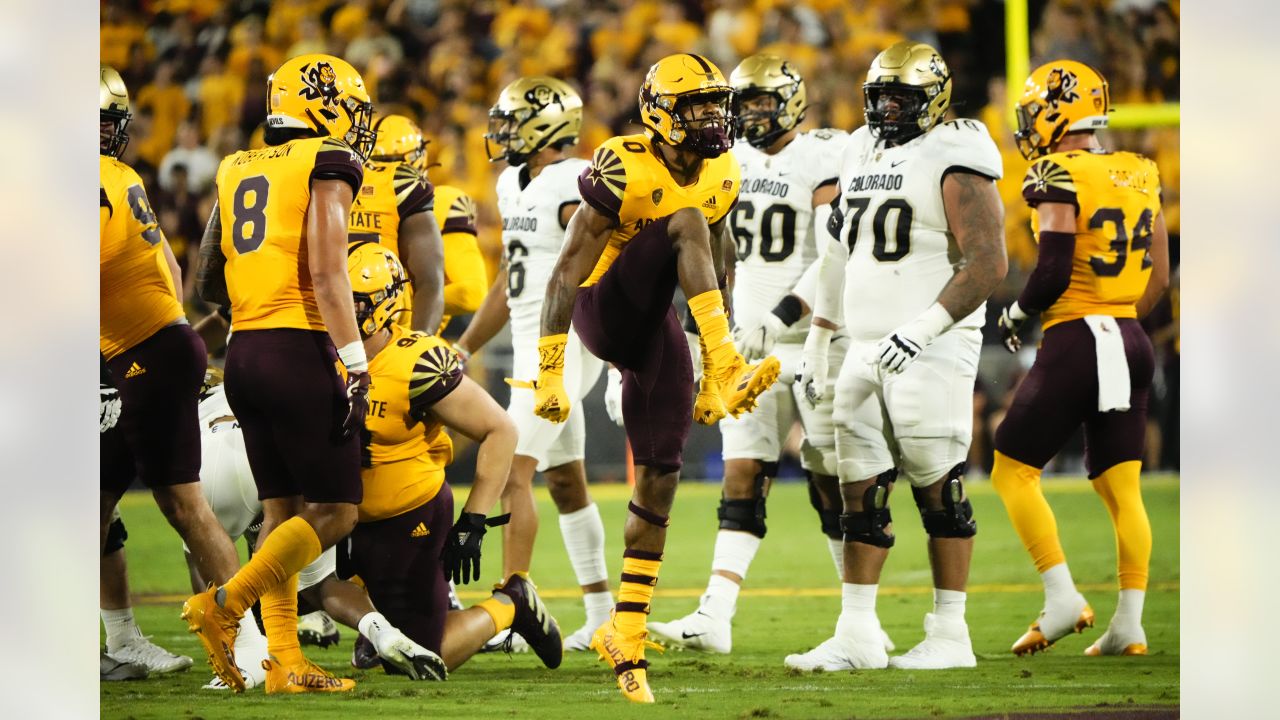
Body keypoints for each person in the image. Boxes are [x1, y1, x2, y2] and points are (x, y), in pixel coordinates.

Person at [533, 53, 781, 703]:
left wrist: (702, 358)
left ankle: (628, 630)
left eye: (716, 103)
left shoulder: (724, 169)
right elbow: (564, 274)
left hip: (659, 325)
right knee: (686, 219)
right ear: (660, 113)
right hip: (601, 306)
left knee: (661, 472)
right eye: (697, 105)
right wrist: (550, 369)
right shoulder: (624, 164)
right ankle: (726, 363)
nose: (712, 117)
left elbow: (718, 261)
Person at [789, 41, 1007, 671]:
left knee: (939, 486)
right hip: (863, 342)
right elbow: (837, 256)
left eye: (902, 97)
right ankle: (856, 630)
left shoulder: (956, 150)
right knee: (858, 487)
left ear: (933, 99)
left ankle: (951, 634)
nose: (888, 107)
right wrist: (819, 336)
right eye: (880, 95)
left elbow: (989, 261)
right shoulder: (858, 148)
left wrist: (925, 328)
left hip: (932, 345)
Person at [648, 54, 862, 654]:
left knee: (832, 481)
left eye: (764, 102)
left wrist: (783, 316)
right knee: (742, 474)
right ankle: (714, 616)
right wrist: (697, 340)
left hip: (818, 338)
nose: (751, 114)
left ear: (792, 101)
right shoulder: (725, 162)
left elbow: (835, 253)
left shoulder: (821, 153)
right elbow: (707, 263)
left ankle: (856, 622)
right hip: (746, 343)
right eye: (743, 105)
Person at [186, 53, 376, 694]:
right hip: (300, 348)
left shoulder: (234, 165)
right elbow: (328, 270)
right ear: (322, 105)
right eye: (348, 106)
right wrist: (354, 361)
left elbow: (205, 278)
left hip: (244, 352)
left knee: (281, 510)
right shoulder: (328, 160)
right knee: (338, 513)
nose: (354, 122)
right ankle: (225, 604)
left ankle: (284, 661)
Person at [993, 60, 1169, 657]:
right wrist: (1118, 324)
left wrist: (1017, 314)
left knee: (1011, 469)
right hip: (1129, 335)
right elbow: (1161, 278)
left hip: (1079, 336)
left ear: (1054, 111)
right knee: (1124, 489)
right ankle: (1129, 625)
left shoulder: (1055, 171)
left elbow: (1052, 269)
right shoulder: (1142, 171)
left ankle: (1062, 595)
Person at [343, 242, 564, 673]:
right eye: (337, 297)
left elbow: (501, 430)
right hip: (346, 516)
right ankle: (374, 624)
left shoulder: (415, 360)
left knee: (426, 654)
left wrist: (474, 520)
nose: (342, 311)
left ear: (386, 304)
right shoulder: (322, 354)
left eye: (355, 302)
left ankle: (511, 605)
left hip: (409, 517)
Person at [456, 76, 613, 651]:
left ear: (547, 126)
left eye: (511, 120)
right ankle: (601, 615)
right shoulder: (511, 182)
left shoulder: (572, 180)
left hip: (558, 349)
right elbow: (509, 278)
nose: (500, 131)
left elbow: (607, 255)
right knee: (566, 482)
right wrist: (468, 343)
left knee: (508, 474)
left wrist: (619, 356)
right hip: (529, 344)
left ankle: (509, 605)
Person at [186, 371, 445, 689]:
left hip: (218, 452)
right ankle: (382, 631)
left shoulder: (224, 374)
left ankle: (241, 657)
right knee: (320, 579)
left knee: (205, 551)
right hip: (285, 453)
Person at [99, 63, 241, 634]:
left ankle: (245, 636)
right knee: (147, 505)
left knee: (180, 507)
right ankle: (130, 639)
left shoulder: (99, 180)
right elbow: (171, 272)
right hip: (152, 345)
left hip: (141, 354)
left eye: (110, 122)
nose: (109, 132)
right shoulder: (121, 176)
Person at [348, 113, 446, 334]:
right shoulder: (405, 184)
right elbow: (431, 283)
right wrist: (418, 345)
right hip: (386, 328)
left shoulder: (331, 172)